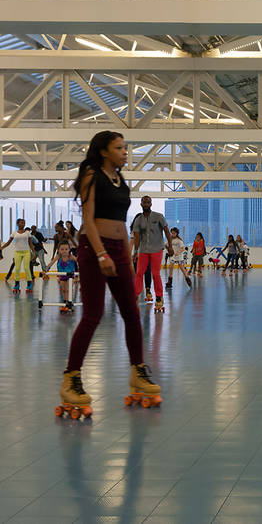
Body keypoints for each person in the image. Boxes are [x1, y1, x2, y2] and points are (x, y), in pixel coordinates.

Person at [58, 130, 160, 419]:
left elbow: (122, 222)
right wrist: (101, 253)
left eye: (126, 147)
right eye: (119, 147)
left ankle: (138, 371)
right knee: (93, 314)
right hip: (94, 248)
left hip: (119, 249)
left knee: (131, 311)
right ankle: (71, 378)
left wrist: (126, 255)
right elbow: (88, 219)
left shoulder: (120, 180)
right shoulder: (92, 174)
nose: (125, 152)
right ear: (104, 151)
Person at [133, 196, 173, 311]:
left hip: (156, 249)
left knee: (155, 273)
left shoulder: (158, 216)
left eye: (148, 202)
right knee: (139, 272)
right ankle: (135, 296)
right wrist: (135, 252)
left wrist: (170, 246)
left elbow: (166, 230)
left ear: (151, 204)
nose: (146, 204)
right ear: (141, 204)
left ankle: (159, 297)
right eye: (144, 202)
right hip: (143, 250)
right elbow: (136, 237)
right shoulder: (138, 219)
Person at [1, 218, 35, 294]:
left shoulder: (27, 233)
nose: (23, 224)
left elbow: (30, 243)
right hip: (17, 252)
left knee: (26, 268)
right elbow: (8, 242)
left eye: (24, 223)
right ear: (17, 224)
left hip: (26, 252)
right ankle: (17, 284)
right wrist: (2, 247)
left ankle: (29, 284)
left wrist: (34, 252)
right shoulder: (14, 233)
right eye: (21, 223)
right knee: (17, 268)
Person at [46, 240, 78, 312]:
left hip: (70, 276)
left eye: (66, 249)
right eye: (62, 249)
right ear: (59, 250)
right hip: (62, 276)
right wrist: (46, 269)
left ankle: (70, 302)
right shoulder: (58, 256)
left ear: (69, 250)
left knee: (69, 289)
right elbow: (51, 263)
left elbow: (78, 260)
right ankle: (65, 302)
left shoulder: (71, 256)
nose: (64, 251)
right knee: (63, 290)